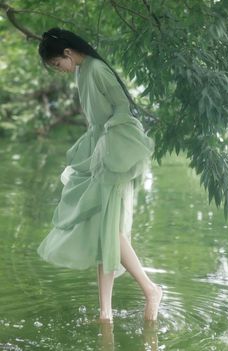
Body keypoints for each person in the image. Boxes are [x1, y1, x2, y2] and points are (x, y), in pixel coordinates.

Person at [37, 27, 163, 322]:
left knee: (109, 230)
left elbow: (122, 108)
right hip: (98, 148)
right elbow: (96, 119)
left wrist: (109, 148)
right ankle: (105, 312)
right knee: (101, 230)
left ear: (67, 53)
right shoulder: (82, 71)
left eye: (57, 64)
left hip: (113, 150)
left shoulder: (96, 69)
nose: (60, 70)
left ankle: (150, 289)